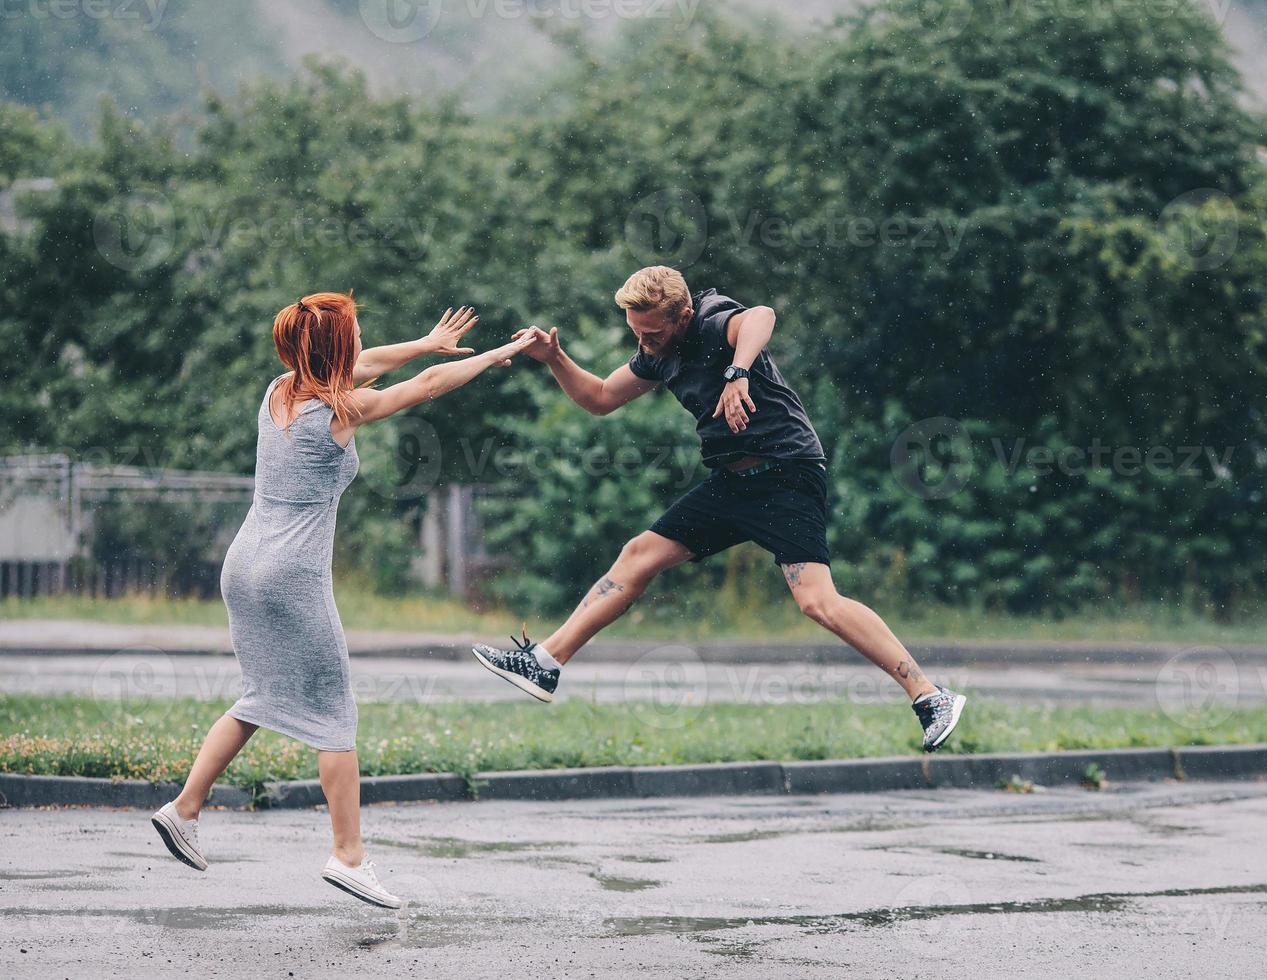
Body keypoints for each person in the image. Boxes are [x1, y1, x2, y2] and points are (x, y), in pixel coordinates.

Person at [472, 266, 966, 751]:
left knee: (817, 602)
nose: (644, 342)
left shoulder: (711, 319)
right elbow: (599, 398)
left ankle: (930, 696)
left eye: (653, 332)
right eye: (636, 332)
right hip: (731, 483)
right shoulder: (658, 354)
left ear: (683, 315)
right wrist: (555, 357)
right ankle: (546, 663)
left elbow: (761, 316)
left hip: (786, 473)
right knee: (639, 554)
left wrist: (738, 371)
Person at [151, 294, 532, 908]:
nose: (361, 345)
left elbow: (377, 364)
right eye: (353, 336)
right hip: (290, 572)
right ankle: (349, 856)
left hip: (243, 563)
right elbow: (428, 387)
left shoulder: (281, 390)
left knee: (261, 694)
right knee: (334, 716)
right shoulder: (339, 410)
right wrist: (500, 353)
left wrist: (424, 342)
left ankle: (184, 808)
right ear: (336, 350)